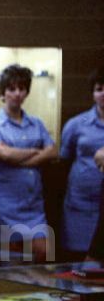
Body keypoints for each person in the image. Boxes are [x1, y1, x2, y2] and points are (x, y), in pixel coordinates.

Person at [0, 64, 56, 262]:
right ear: (2, 92)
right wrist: (34, 151)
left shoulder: (36, 123)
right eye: (12, 89)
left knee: (44, 254)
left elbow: (52, 151)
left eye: (22, 89)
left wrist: (19, 159)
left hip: (33, 204)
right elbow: (4, 154)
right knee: (11, 261)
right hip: (4, 204)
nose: (17, 94)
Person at [59, 67, 104, 258]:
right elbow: (64, 158)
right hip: (80, 203)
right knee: (76, 260)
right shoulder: (76, 124)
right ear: (93, 93)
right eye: (99, 89)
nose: (103, 94)